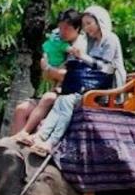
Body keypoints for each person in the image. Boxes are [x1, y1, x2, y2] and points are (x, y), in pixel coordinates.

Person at [10, 9, 88, 139]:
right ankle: (13, 147)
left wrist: (49, 69)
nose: (63, 32)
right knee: (21, 109)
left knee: (48, 98)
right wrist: (49, 70)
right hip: (53, 88)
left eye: (67, 28)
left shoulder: (79, 46)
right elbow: (46, 75)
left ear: (77, 28)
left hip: (68, 93)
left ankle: (25, 134)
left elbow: (69, 77)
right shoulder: (56, 42)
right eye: (60, 27)